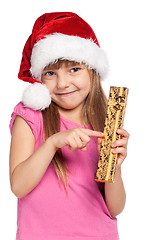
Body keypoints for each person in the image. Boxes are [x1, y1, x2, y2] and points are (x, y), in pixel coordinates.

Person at [9, 12, 130, 240]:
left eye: (74, 69)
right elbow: (18, 186)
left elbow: (115, 208)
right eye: (51, 73)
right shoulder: (30, 116)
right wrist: (53, 142)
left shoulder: (105, 121)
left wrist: (115, 166)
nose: (63, 83)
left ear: (92, 72)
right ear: (39, 77)